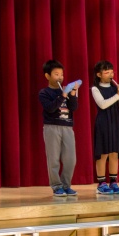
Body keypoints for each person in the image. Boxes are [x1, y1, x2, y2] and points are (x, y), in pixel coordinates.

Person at [38, 59, 79, 197]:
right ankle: (56, 186)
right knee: (54, 158)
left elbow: (73, 107)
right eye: (56, 74)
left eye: (61, 74)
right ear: (47, 76)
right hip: (51, 127)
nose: (60, 77)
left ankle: (66, 185)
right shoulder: (44, 92)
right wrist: (63, 96)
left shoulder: (65, 90)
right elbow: (50, 108)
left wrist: (72, 93)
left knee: (70, 159)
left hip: (67, 127)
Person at [91, 60, 119, 194]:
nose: (111, 74)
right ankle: (101, 183)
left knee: (114, 153)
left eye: (112, 72)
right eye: (107, 72)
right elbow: (103, 104)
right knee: (103, 153)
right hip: (103, 122)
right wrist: (117, 95)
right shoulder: (95, 88)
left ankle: (113, 182)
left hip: (116, 122)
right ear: (99, 74)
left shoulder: (115, 88)